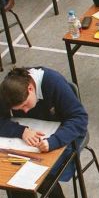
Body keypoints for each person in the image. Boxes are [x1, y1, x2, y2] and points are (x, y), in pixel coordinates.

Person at [0, 67, 88, 198]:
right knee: (12, 174)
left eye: (25, 105)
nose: (24, 111)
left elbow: (79, 119)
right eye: (18, 109)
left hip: (64, 136)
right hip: (25, 143)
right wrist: (21, 131)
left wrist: (53, 141)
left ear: (30, 88)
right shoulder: (7, 92)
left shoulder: (53, 83)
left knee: (33, 175)